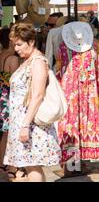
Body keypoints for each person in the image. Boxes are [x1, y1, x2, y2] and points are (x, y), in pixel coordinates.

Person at [4, 23, 61, 182]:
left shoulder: (37, 62)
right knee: (29, 166)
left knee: (32, 165)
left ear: (31, 42)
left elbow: (38, 95)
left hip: (31, 124)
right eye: (14, 44)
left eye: (19, 44)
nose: (16, 48)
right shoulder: (28, 60)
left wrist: (25, 125)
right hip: (23, 122)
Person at [55, 21, 99, 177]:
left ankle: (72, 166)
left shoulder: (63, 48)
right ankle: (80, 163)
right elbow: (97, 72)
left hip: (69, 93)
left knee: (71, 126)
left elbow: (59, 69)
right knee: (85, 126)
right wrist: (98, 89)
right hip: (88, 94)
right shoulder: (94, 48)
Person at [0, 28, 20, 180]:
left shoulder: (1, 56)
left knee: (5, 134)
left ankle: (2, 163)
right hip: (10, 99)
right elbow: (16, 83)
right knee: (11, 134)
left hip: (1, 98)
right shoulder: (12, 59)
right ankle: (12, 166)